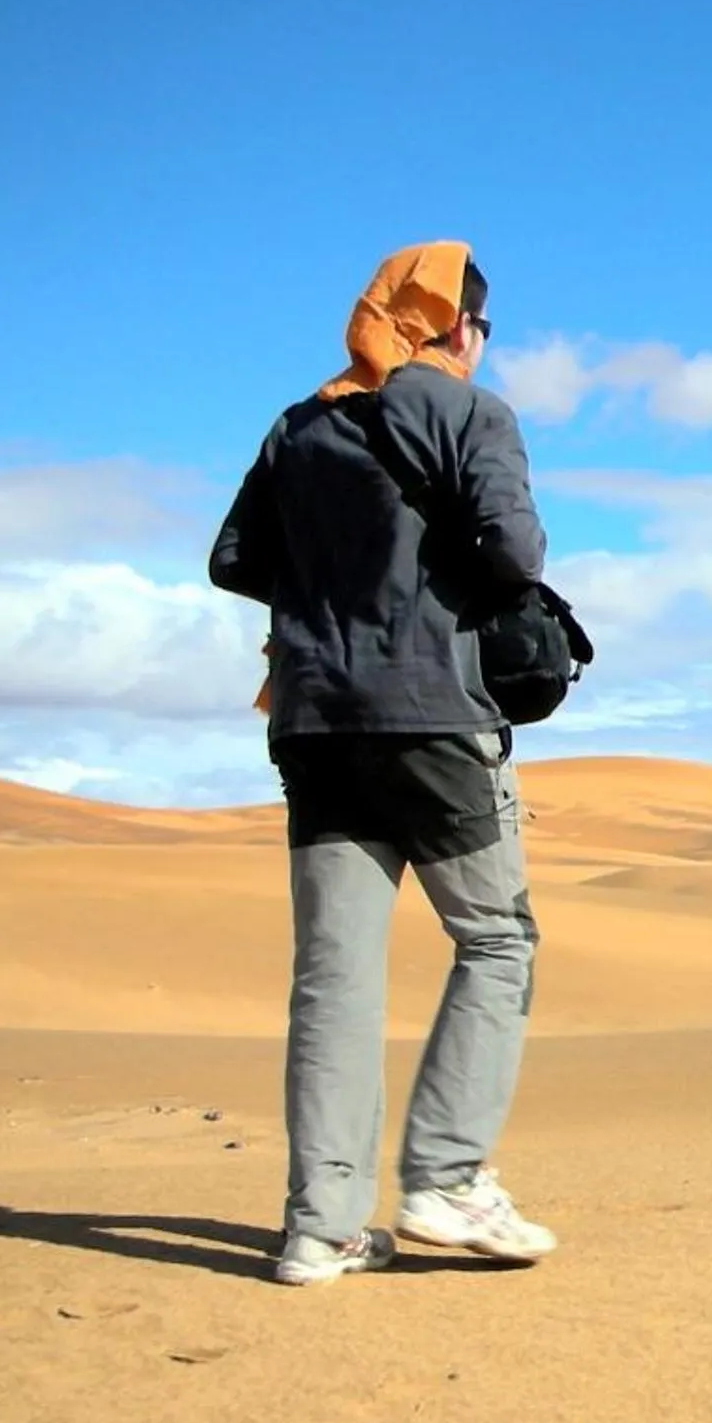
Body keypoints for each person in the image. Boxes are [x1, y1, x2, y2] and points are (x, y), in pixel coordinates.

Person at [209, 242, 559, 1285]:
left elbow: (233, 561)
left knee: (333, 978)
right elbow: (516, 556)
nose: (483, 345)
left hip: (315, 723)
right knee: (497, 939)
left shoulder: (300, 425)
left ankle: (319, 1228)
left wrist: (334, 586)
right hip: (430, 715)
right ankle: (447, 1182)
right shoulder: (469, 412)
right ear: (454, 326)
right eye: (483, 328)